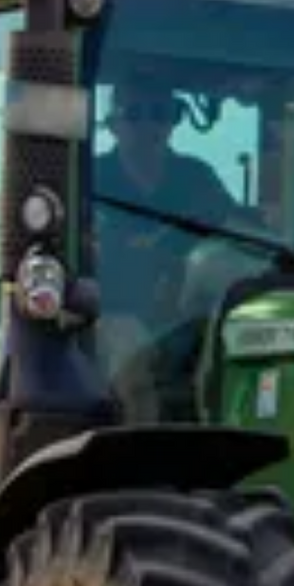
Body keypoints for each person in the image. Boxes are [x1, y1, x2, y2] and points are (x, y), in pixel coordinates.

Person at [91, 71, 248, 416]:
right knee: (127, 346)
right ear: (113, 124)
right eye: (135, 115)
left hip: (188, 320)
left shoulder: (197, 179)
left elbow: (238, 238)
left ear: (175, 120)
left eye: (160, 114)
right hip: (108, 320)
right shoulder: (89, 178)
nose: (149, 127)